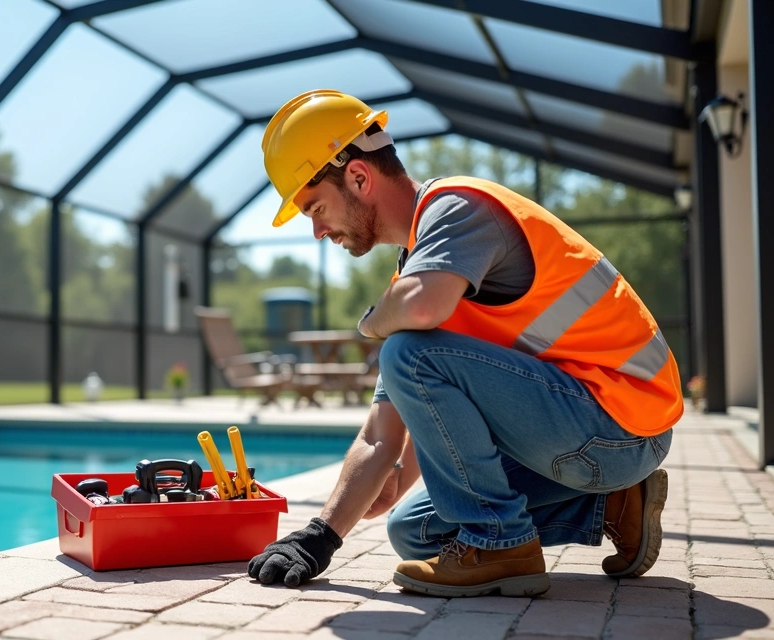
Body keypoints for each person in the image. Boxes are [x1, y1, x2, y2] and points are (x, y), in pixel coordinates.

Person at [246, 90, 680, 598]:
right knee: (414, 530)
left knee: (405, 352)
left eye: (315, 207)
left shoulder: (457, 209)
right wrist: (320, 536)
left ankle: (501, 545)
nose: (318, 230)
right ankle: (614, 503)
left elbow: (420, 320)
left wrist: (371, 323)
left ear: (360, 177)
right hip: (580, 430)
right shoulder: (417, 274)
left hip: (625, 422)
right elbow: (379, 439)